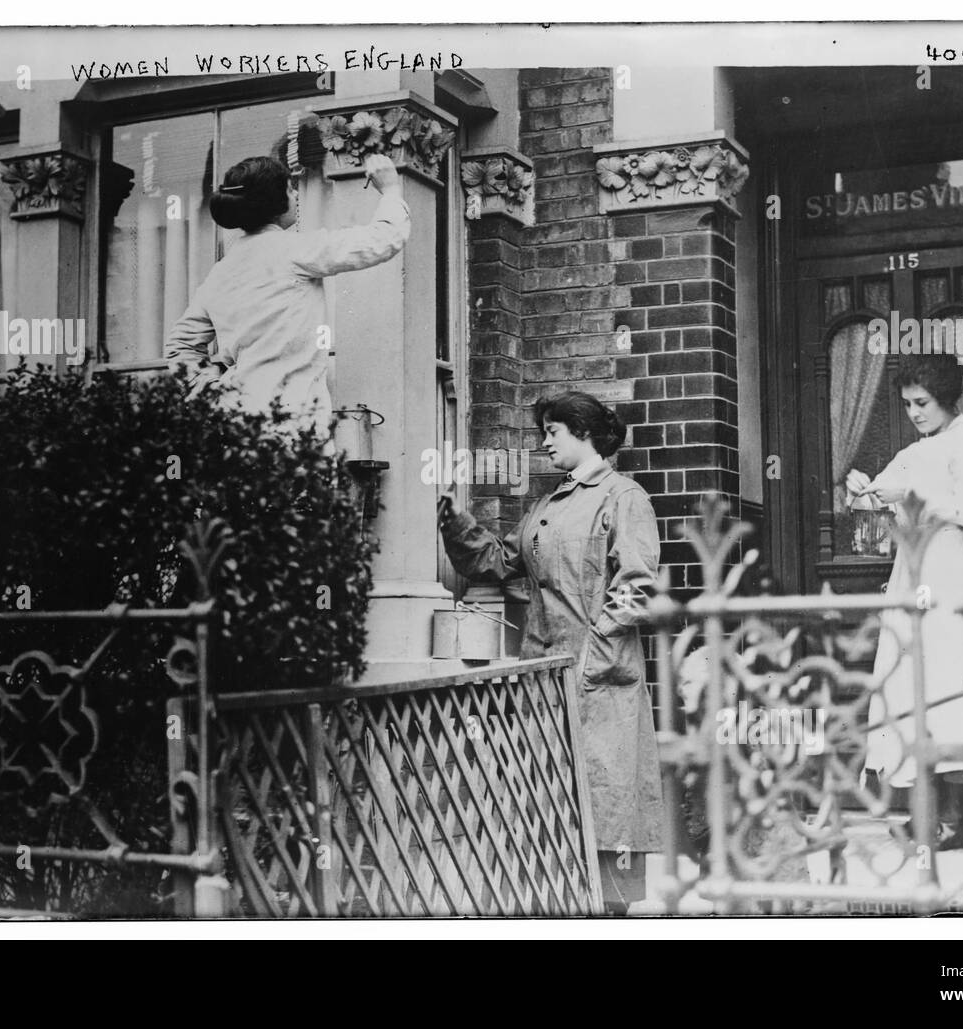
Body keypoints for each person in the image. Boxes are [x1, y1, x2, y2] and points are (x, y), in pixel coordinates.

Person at [437, 391, 665, 912]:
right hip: (544, 675)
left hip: (600, 681)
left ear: (583, 434)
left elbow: (636, 588)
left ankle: (612, 912)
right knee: (551, 802)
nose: (544, 442)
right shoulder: (547, 506)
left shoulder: (623, 497)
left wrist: (592, 656)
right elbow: (497, 562)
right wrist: (455, 522)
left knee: (607, 807)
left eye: (553, 431)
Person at [847, 354, 963, 850]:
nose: (914, 412)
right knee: (909, 682)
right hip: (912, 570)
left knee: (946, 685)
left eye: (923, 403)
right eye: (908, 403)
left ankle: (959, 818)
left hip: (947, 569)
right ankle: (927, 815)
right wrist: (861, 492)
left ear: (946, 399)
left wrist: (907, 492)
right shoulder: (917, 450)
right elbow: (879, 497)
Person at [166, 152, 409, 437]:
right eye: (290, 188)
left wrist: (210, 389)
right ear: (275, 202)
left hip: (234, 425)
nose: (295, 195)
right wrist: (391, 189)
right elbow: (383, 240)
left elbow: (180, 345)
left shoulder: (221, 271)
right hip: (292, 425)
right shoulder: (295, 250)